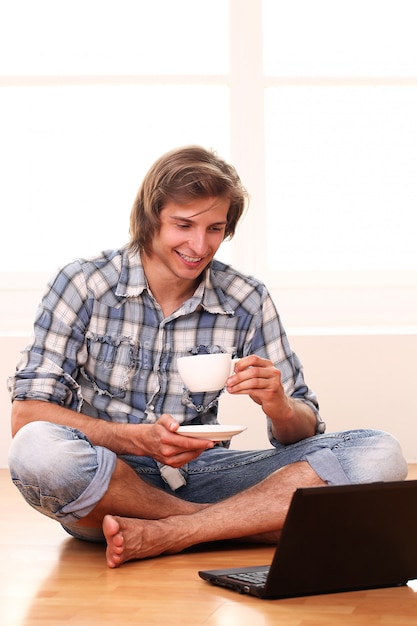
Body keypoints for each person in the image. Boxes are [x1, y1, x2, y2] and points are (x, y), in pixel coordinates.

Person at [8, 145, 407, 568]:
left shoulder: (245, 297)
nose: (199, 245)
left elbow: (302, 431)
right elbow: (28, 415)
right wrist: (135, 439)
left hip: (207, 474)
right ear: (150, 219)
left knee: (379, 453)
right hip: (106, 480)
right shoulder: (84, 283)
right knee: (37, 450)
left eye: (215, 228)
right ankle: (224, 526)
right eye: (184, 225)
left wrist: (279, 404)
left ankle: (172, 532)